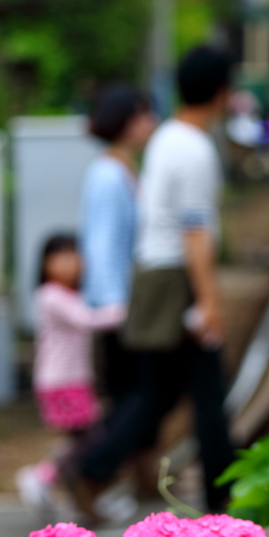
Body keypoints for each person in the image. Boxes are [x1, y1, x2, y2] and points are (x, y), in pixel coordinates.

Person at [72, 45, 235, 517]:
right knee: (197, 394)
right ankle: (222, 503)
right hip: (172, 278)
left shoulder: (167, 138)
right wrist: (209, 301)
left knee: (162, 392)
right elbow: (195, 232)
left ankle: (95, 468)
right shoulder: (195, 149)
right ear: (223, 93)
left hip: (156, 273)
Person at [15, 233, 126, 515]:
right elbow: (87, 319)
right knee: (90, 438)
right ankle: (42, 477)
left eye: (74, 255)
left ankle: (75, 493)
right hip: (61, 381)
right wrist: (122, 310)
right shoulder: (50, 296)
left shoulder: (71, 295)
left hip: (72, 379)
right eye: (60, 256)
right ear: (45, 264)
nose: (70, 263)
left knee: (83, 439)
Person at [81, 84, 157, 403]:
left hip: (127, 301)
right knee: (129, 392)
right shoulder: (108, 174)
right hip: (118, 306)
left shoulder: (122, 168)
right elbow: (101, 243)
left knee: (132, 391)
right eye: (144, 115)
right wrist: (113, 304)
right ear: (127, 121)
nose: (151, 122)